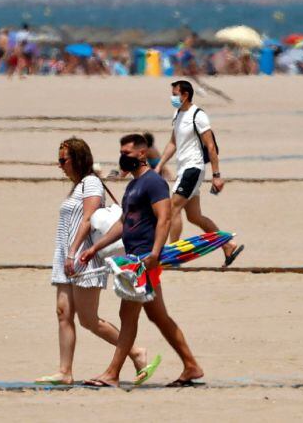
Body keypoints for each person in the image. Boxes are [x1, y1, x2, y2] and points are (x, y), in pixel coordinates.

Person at [78, 134, 204, 388]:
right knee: (158, 316)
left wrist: (155, 253)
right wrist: (96, 248)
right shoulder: (133, 186)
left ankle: (112, 373)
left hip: (145, 260)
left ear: (143, 154)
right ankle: (191, 365)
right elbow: (123, 224)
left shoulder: (154, 183)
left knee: (127, 314)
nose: (124, 157)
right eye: (121, 152)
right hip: (135, 258)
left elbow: (164, 219)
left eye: (129, 153)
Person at [37, 137, 158, 386]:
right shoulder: (78, 185)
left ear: (78, 159)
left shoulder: (91, 183)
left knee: (88, 319)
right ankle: (64, 371)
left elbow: (88, 220)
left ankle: (135, 352)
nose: (60, 165)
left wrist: (74, 253)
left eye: (63, 160)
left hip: (82, 257)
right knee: (63, 313)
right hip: (66, 257)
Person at [156, 80, 244, 266]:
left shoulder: (198, 115)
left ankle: (173, 256)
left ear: (185, 95)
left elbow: (210, 146)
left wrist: (217, 175)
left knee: (172, 209)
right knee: (194, 216)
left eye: (175, 94)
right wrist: (159, 165)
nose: (172, 97)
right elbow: (173, 142)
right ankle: (228, 245)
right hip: (183, 169)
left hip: (193, 168)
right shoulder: (178, 114)